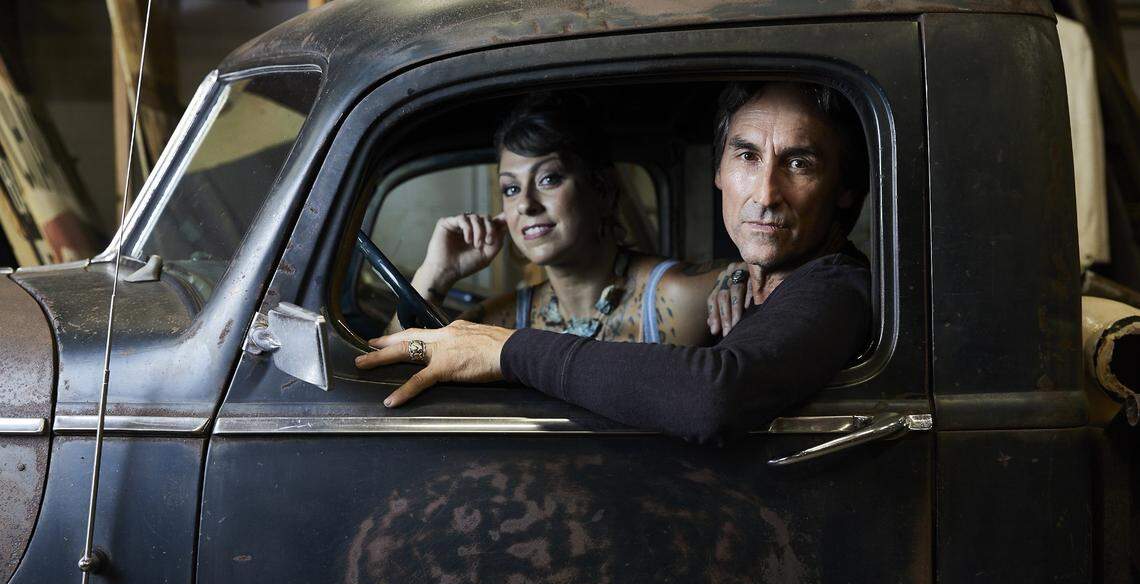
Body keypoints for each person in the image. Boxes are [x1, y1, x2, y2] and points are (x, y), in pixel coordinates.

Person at [358, 81, 872, 443]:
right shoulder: (496, 316)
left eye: (799, 163)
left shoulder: (806, 286)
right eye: (746, 156)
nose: (764, 193)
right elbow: (383, 377)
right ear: (718, 171)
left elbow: (714, 391)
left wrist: (506, 351)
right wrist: (434, 276)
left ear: (603, 190)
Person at [389, 92, 743, 345]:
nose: (525, 204)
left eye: (548, 179)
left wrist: (743, 276)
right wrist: (436, 274)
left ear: (602, 190)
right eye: (511, 189)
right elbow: (392, 366)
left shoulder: (674, 296)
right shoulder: (504, 320)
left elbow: (770, 286)